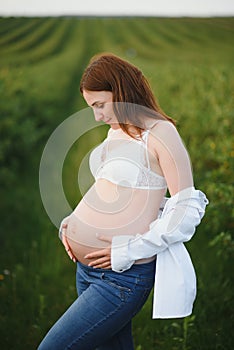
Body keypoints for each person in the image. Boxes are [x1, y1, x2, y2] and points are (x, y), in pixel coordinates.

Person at [38, 53, 208, 350]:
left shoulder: (160, 132)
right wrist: (71, 224)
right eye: (91, 108)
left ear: (121, 90)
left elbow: (186, 209)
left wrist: (128, 250)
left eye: (100, 105)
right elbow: (110, 189)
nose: (97, 116)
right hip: (87, 269)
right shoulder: (116, 131)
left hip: (121, 277)